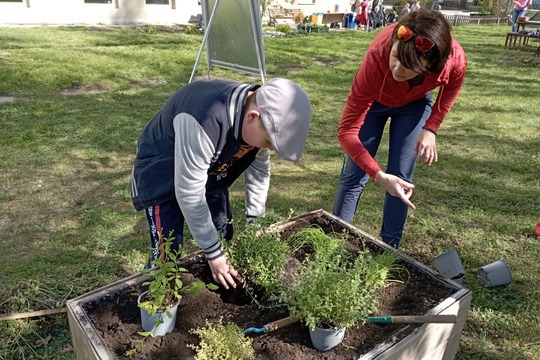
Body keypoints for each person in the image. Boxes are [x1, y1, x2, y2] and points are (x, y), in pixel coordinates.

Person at [131, 78, 311, 289]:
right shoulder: (206, 118)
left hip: (209, 172)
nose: (269, 149)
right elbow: (189, 191)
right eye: (269, 142)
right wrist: (213, 253)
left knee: (223, 232)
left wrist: (255, 221)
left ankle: (217, 286)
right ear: (253, 117)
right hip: (162, 173)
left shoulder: (255, 121)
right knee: (166, 254)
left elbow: (259, 171)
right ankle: (155, 307)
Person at [332, 9, 467, 248]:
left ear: (430, 65)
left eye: (408, 66)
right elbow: (346, 132)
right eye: (395, 57)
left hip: (413, 106)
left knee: (401, 178)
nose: (396, 69)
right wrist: (378, 174)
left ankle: (388, 249)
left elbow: (451, 89)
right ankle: (334, 242)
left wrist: (431, 128)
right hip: (374, 103)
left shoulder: (453, 59)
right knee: (355, 173)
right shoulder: (377, 57)